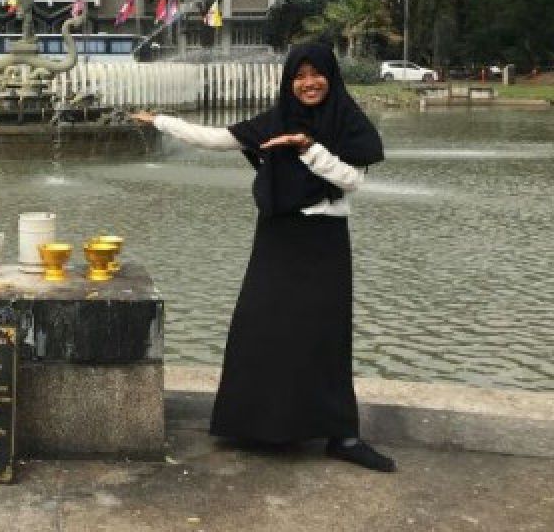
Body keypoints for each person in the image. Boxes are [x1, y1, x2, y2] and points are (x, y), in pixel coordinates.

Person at [131, 42, 395, 473]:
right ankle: (262, 426)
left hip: (323, 239)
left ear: (331, 76)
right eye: (300, 75)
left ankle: (342, 436)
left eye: (316, 74)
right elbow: (216, 138)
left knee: (325, 335)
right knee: (265, 328)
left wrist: (308, 148)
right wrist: (160, 121)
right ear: (290, 80)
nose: (308, 83)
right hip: (277, 236)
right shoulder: (277, 119)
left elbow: (351, 181)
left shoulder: (350, 123)